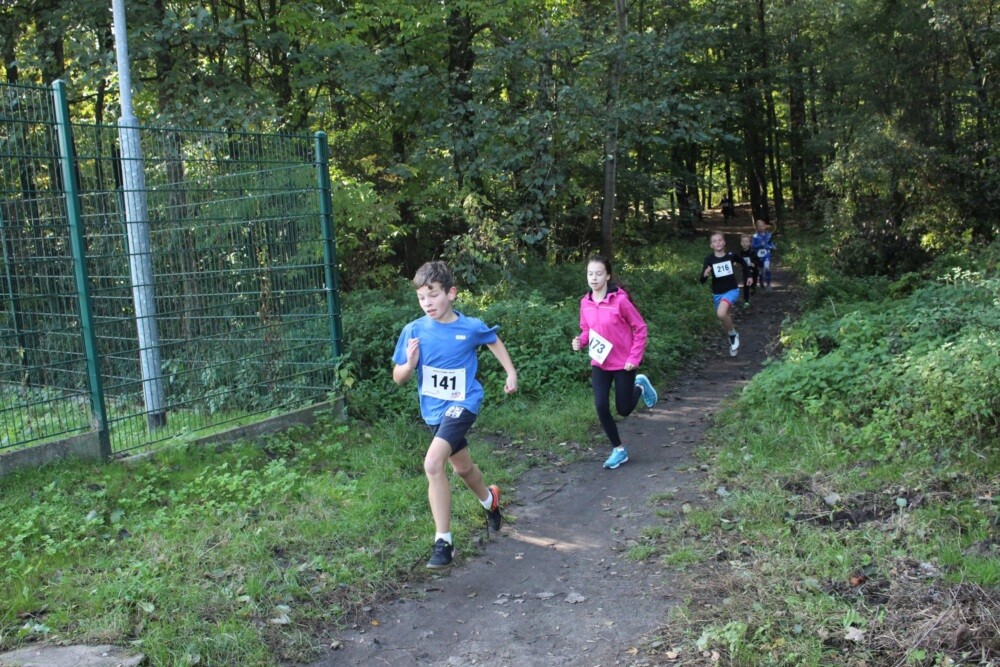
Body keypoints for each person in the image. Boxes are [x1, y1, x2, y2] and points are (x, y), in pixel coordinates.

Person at [392, 260, 519, 569]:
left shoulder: (470, 326)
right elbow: (398, 377)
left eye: (433, 295)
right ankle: (490, 500)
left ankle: (443, 543)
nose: (427, 303)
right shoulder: (414, 330)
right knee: (462, 469)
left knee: (433, 464)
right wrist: (409, 364)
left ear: (451, 293)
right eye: (421, 297)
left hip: (463, 404)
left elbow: (492, 340)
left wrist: (510, 372)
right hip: (434, 411)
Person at [571, 255, 658, 470]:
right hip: (600, 362)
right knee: (600, 405)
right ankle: (618, 449)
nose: (594, 278)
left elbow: (641, 328)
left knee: (624, 409)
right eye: (590, 273)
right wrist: (580, 341)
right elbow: (587, 329)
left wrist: (634, 358)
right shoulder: (585, 302)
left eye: (599, 273)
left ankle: (639, 384)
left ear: (608, 276)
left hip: (623, 363)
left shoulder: (620, 301)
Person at [700, 232, 752, 356]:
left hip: (732, 290)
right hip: (717, 293)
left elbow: (744, 264)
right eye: (715, 241)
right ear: (711, 245)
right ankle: (732, 339)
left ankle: (734, 335)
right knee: (725, 318)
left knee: (721, 313)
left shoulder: (731, 255)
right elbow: (702, 281)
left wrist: (749, 276)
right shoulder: (709, 259)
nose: (717, 243)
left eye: (720, 240)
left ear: (724, 242)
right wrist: (705, 274)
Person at [751, 219, 776, 290]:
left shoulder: (769, 235)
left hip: (767, 254)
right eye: (759, 226)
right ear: (757, 228)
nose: (761, 228)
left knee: (767, 267)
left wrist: (773, 246)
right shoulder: (755, 236)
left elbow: (771, 243)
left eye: (762, 226)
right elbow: (753, 246)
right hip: (758, 255)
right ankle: (761, 281)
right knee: (761, 271)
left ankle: (768, 285)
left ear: (765, 226)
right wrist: (760, 245)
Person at [738, 233, 762, 308]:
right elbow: (737, 259)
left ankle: (753, 287)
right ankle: (746, 301)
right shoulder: (740, 252)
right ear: (741, 243)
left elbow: (758, 261)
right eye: (743, 242)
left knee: (752, 283)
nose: (744, 243)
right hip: (746, 271)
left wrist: (754, 264)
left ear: (749, 243)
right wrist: (736, 262)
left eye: (746, 242)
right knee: (746, 285)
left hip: (754, 271)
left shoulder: (752, 252)